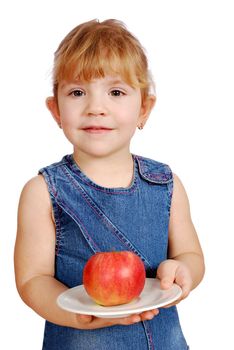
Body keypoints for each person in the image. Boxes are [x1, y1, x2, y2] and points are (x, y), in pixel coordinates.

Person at [14, 19, 205, 350]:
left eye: (116, 92)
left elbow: (191, 254)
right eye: (77, 92)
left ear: (144, 108)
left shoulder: (166, 184)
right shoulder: (43, 192)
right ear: (55, 110)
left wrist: (183, 269)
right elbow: (33, 280)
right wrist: (80, 316)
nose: (96, 108)